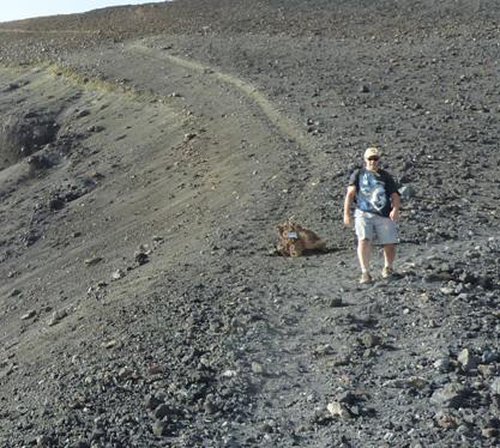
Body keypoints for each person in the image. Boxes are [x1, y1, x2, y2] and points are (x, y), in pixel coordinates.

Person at [343, 147, 401, 284]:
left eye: (375, 159)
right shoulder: (358, 174)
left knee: (389, 242)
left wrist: (396, 209)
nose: (373, 162)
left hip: (383, 213)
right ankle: (365, 272)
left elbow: (394, 194)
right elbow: (350, 194)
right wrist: (347, 213)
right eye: (370, 159)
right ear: (365, 160)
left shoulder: (385, 176)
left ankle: (388, 267)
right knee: (364, 240)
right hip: (363, 212)